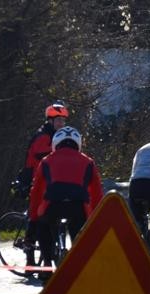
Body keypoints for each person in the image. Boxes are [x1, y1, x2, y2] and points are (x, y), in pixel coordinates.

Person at [28, 126, 103, 281]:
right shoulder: (88, 162)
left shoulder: (46, 160)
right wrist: (96, 219)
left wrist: (34, 217)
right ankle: (80, 265)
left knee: (43, 226)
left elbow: (36, 192)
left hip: (53, 205)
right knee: (80, 235)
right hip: (78, 206)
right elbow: (96, 193)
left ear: (56, 143)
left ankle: (47, 264)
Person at [19, 101, 68, 271]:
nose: (61, 124)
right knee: (36, 217)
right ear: (50, 121)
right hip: (34, 180)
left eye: (63, 121)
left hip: (50, 182)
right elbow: (46, 155)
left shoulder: (56, 136)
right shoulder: (42, 137)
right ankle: (29, 255)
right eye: (58, 121)